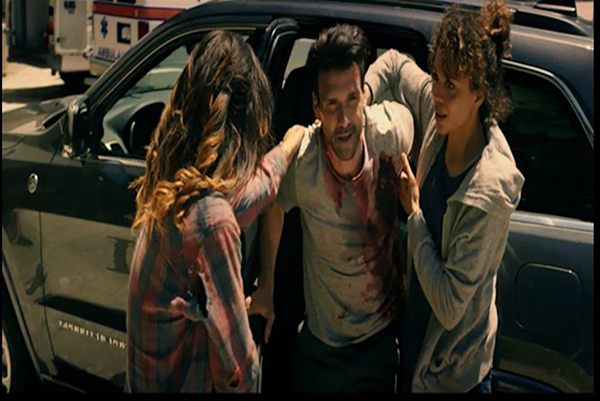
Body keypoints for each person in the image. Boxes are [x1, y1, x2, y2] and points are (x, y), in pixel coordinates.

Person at [125, 30, 305, 393]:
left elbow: (243, 197)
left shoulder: (179, 181)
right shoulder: (212, 221)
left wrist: (287, 149)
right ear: (245, 125)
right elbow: (238, 372)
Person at [364, 0, 525, 393]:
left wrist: (414, 214)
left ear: (479, 93)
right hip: (415, 355)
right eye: (436, 77)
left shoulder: (489, 190)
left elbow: (451, 306)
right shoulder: (442, 118)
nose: (436, 93)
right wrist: (362, 97)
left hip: (454, 377)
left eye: (450, 85)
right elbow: (395, 63)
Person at [247, 24, 416, 393]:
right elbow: (273, 206)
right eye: (331, 105)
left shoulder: (388, 135)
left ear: (365, 95)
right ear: (316, 107)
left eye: (352, 99)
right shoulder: (304, 161)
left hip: (379, 344)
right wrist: (267, 285)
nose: (344, 121)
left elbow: (418, 122)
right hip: (320, 347)